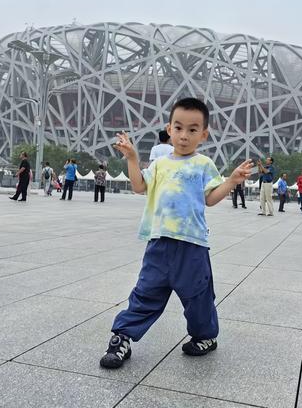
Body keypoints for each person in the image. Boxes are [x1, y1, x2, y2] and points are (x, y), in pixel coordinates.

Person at [99, 98, 253, 369]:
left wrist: (231, 181)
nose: (184, 135)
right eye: (179, 128)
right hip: (159, 243)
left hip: (192, 244)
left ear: (204, 134)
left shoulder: (203, 163)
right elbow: (138, 186)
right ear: (169, 129)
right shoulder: (159, 164)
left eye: (193, 130)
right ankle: (122, 337)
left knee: (198, 295)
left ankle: (205, 336)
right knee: (145, 292)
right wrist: (132, 158)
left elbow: (210, 199)